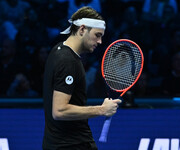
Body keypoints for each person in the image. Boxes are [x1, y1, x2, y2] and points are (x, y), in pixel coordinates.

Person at [42, 6, 121, 150]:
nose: (100, 41)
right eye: (97, 35)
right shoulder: (68, 61)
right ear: (82, 29)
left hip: (57, 144)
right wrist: (102, 110)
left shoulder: (58, 49)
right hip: (72, 145)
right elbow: (59, 111)